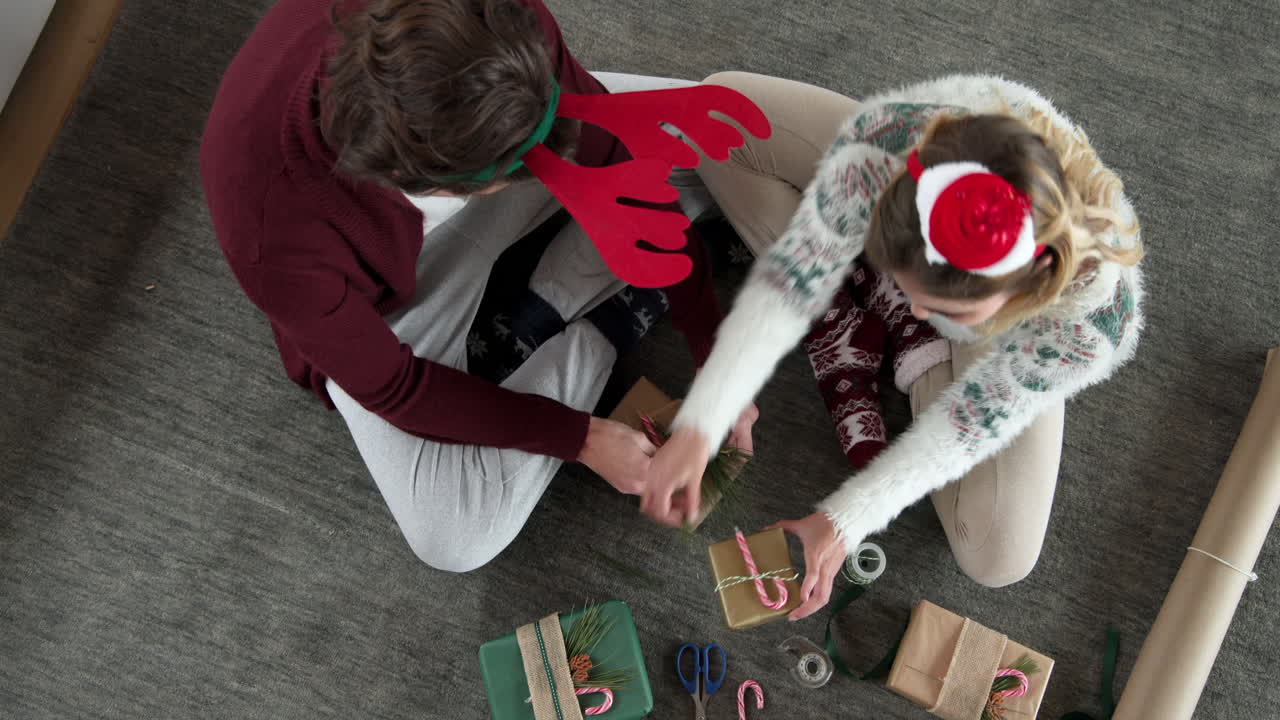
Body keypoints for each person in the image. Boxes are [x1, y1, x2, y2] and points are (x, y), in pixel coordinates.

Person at [200, 0, 758, 572]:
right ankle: (609, 320)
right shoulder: (274, 234)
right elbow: (397, 388)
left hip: (485, 141)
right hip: (381, 302)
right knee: (455, 534)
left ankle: (552, 300)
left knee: (740, 132)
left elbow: (615, 162)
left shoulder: (492, 20)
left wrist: (713, 353)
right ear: (414, 182)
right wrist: (582, 438)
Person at [639, 73, 1143, 618]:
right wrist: (700, 423)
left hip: (1008, 339)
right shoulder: (883, 147)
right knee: (717, 112)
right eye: (906, 287)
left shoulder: (1086, 328)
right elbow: (788, 285)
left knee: (998, 558)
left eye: (936, 307)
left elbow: (968, 428)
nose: (919, 307)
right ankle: (856, 308)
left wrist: (846, 520)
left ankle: (909, 335)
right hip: (914, 218)